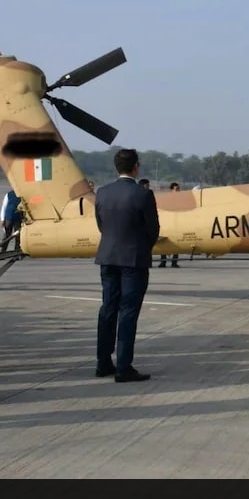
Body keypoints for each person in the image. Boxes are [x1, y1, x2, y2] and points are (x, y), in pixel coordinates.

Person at [94, 149, 159, 383]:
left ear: (116, 167)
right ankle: (124, 366)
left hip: (108, 257)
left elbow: (101, 224)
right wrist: (141, 247)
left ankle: (103, 362)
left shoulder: (102, 193)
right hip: (133, 259)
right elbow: (153, 229)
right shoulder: (143, 194)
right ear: (136, 167)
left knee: (108, 309)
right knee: (128, 312)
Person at [159, 182, 181, 268]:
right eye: (176, 189)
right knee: (163, 242)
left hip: (177, 223)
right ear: (171, 190)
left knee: (177, 242)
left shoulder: (181, 200)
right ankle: (163, 261)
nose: (178, 191)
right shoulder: (167, 199)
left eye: (178, 189)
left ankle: (174, 262)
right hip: (167, 223)